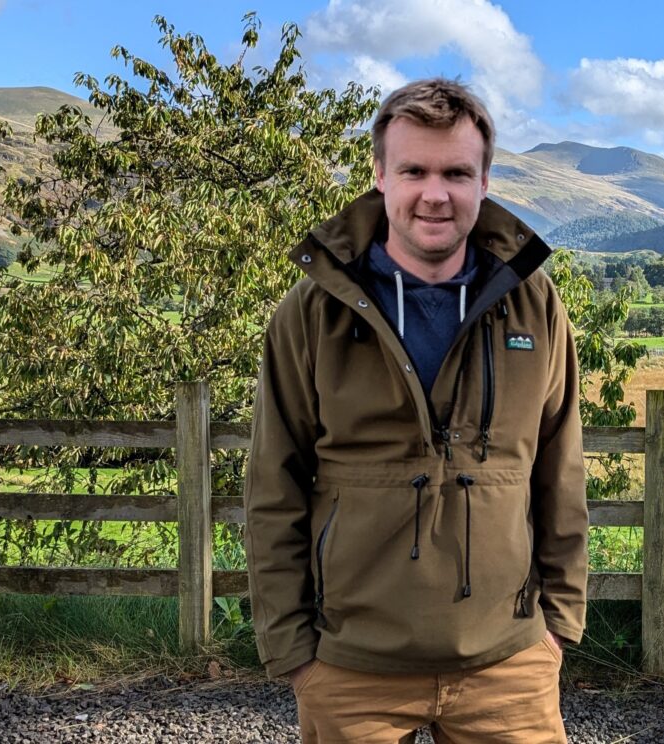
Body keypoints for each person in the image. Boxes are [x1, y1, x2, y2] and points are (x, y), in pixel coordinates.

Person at [243, 78, 588, 743]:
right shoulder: (312, 312)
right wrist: (294, 654)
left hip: (510, 662)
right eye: (414, 170)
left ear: (484, 181)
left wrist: (558, 628)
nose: (436, 193)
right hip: (350, 668)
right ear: (380, 175)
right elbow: (272, 488)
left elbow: (561, 471)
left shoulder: (534, 304)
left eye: (457, 172)